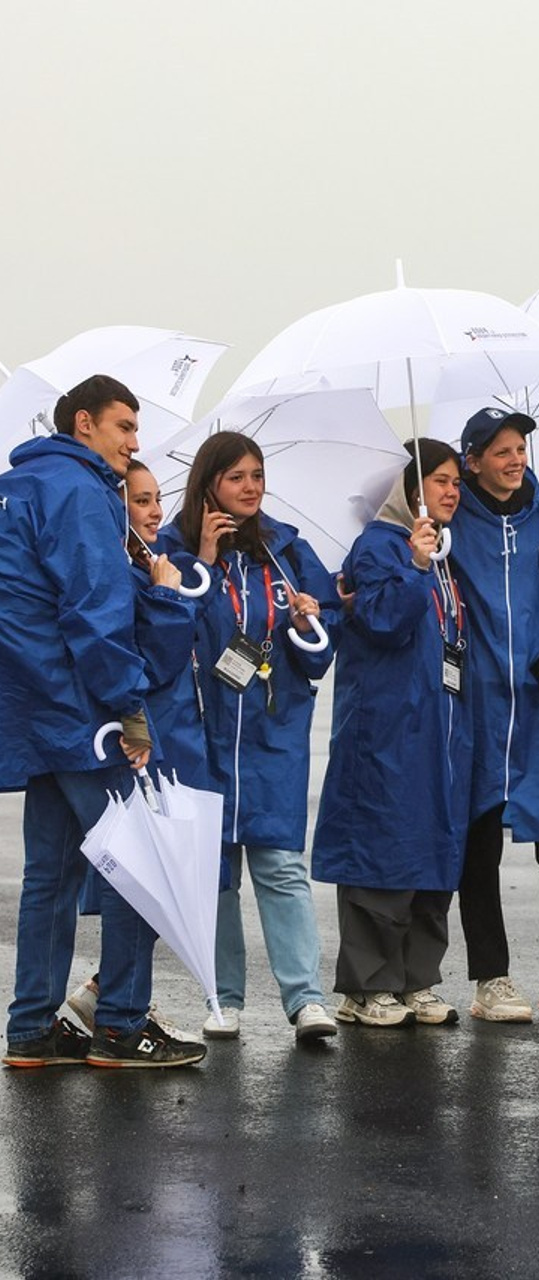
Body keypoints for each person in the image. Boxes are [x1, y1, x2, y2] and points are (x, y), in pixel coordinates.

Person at [0, 374, 205, 1068]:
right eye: (124, 425)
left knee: (50, 878)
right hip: (82, 712)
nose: (135, 441)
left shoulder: (17, 487)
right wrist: (128, 707)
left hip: (33, 714)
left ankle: (29, 1027)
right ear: (83, 422)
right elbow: (92, 611)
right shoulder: (82, 493)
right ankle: (120, 1023)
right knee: (138, 868)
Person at [155, 431, 339, 1043]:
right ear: (209, 483)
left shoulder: (287, 551)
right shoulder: (172, 549)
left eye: (257, 475)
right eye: (236, 477)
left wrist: (308, 624)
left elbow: (322, 648)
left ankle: (306, 999)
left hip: (273, 733)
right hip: (200, 734)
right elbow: (163, 628)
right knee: (215, 872)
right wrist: (204, 561)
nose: (251, 487)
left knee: (281, 865)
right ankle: (222, 998)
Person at [311, 440, 471, 1028]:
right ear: (408, 491)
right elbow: (381, 620)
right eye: (440, 481)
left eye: (457, 481)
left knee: (431, 850)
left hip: (439, 726)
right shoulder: (381, 547)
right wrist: (417, 568)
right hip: (384, 725)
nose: (451, 491)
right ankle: (366, 986)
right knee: (380, 849)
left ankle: (415, 979)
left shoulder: (443, 552)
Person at [449, 408, 539, 1022]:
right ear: (473, 460)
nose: (515, 461)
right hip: (480, 705)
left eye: (521, 450)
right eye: (502, 451)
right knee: (477, 845)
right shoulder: (451, 521)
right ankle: (491, 979)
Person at [68, 460, 212, 1037]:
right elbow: (154, 664)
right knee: (143, 873)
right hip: (141, 738)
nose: (155, 511)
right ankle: (117, 1007)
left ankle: (105, 993)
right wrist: (167, 597)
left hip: (167, 734)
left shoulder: (143, 563)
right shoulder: (127, 573)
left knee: (156, 873)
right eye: (143, 500)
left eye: (158, 500)